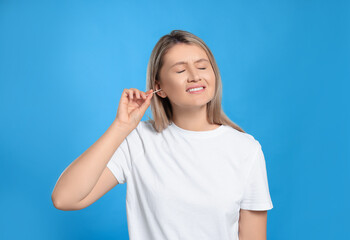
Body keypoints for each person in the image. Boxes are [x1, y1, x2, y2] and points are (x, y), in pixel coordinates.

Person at [51, 30, 274, 240]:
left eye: (202, 67)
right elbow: (65, 198)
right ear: (160, 87)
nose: (195, 76)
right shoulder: (139, 140)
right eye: (180, 70)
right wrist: (121, 126)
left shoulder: (246, 150)